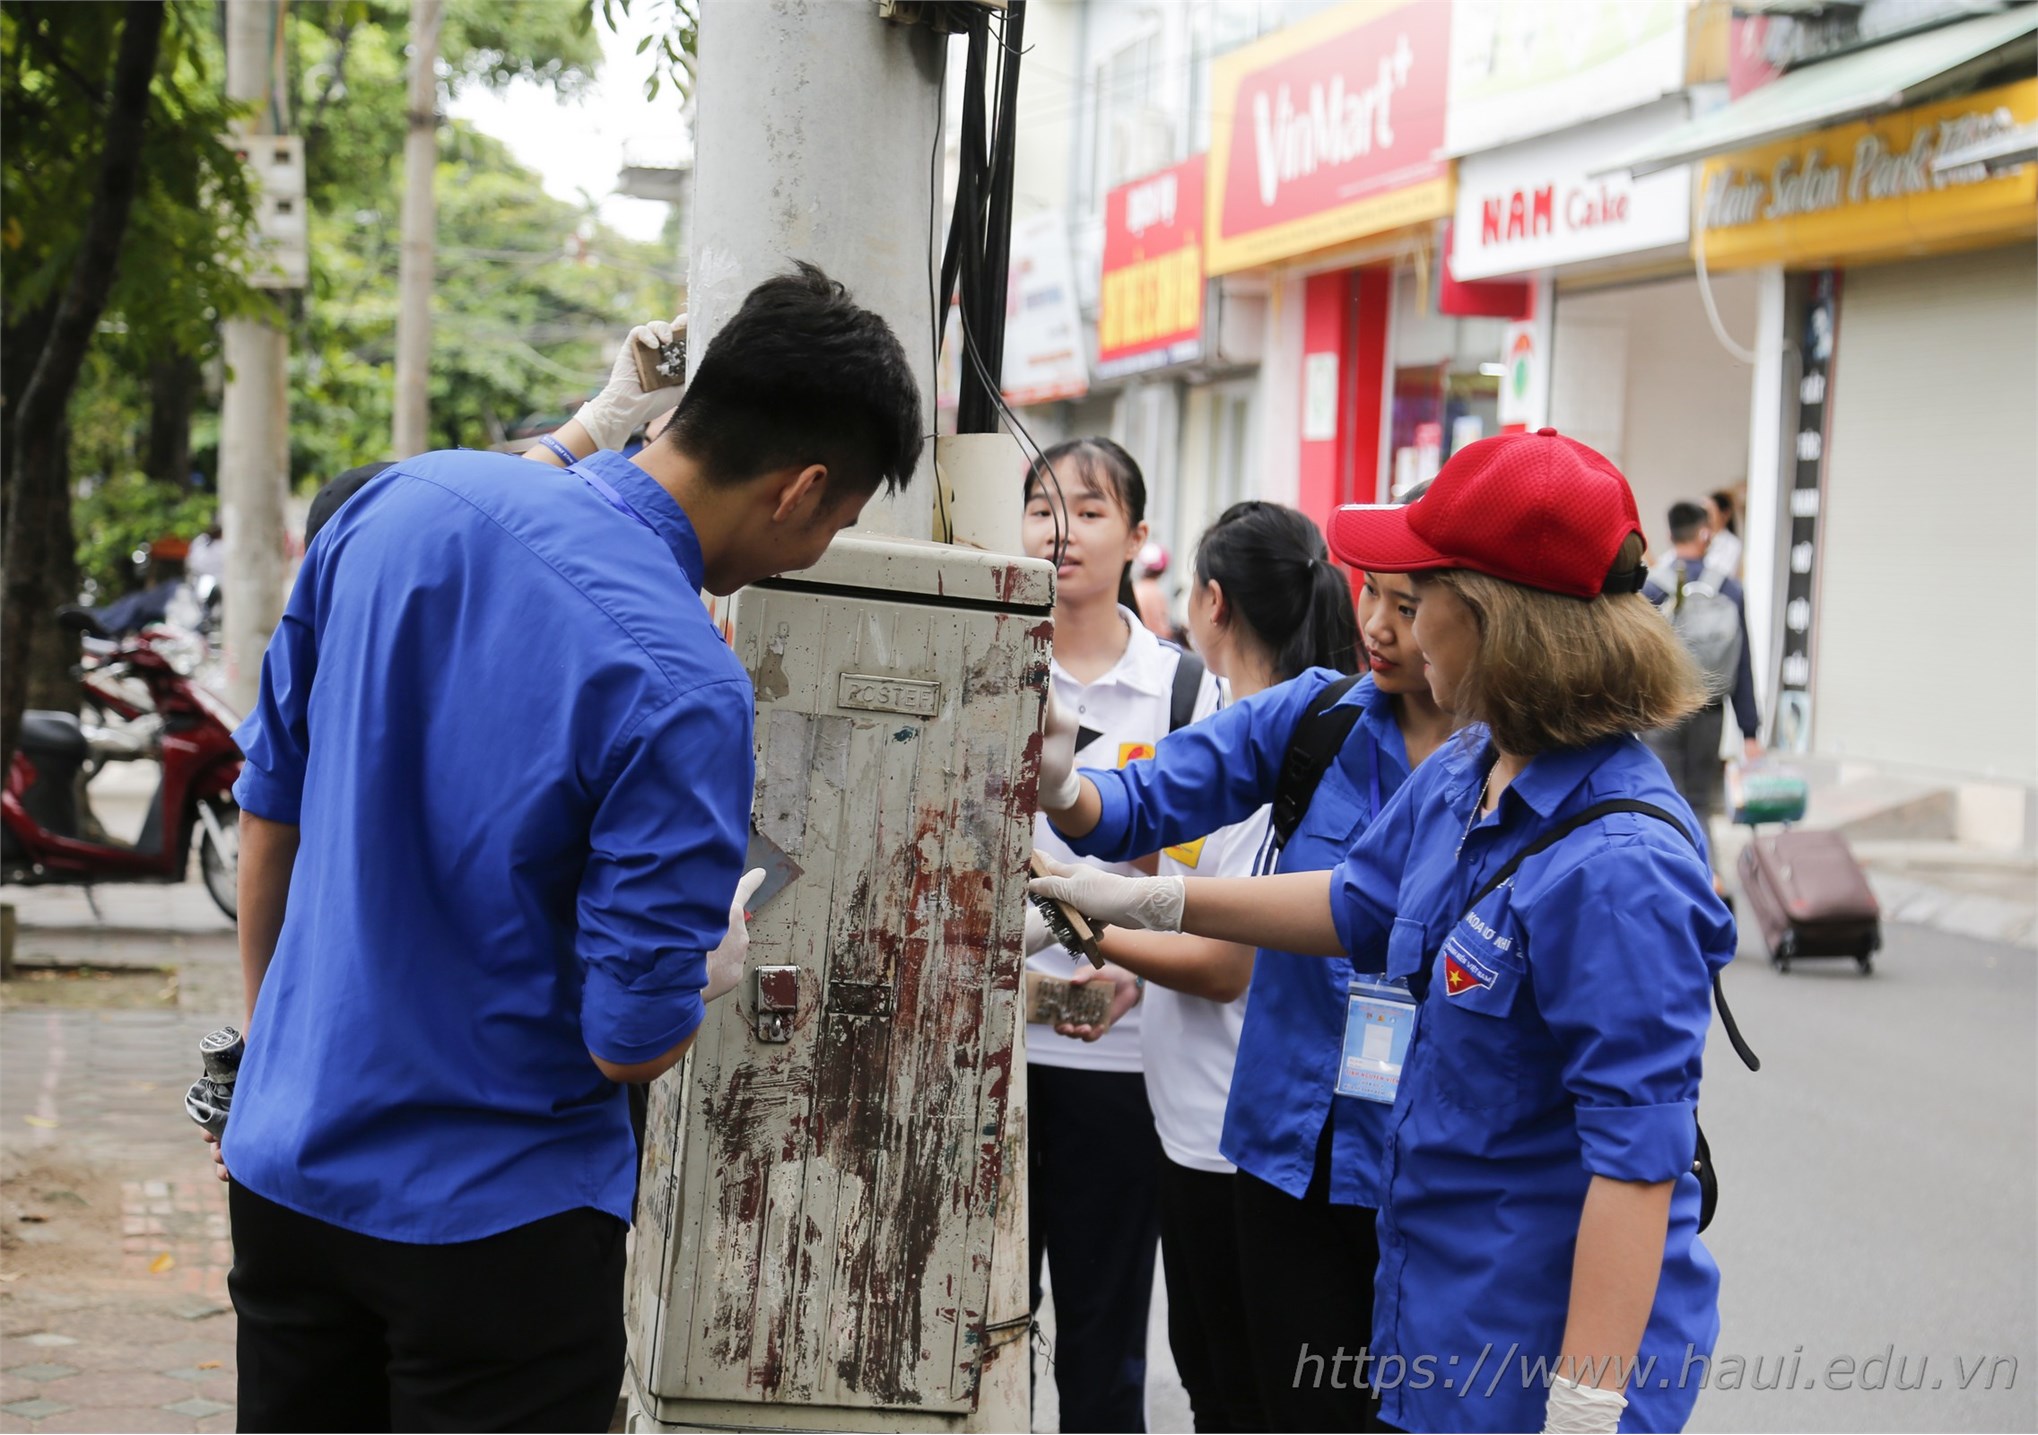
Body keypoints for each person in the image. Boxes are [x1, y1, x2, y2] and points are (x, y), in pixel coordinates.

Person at [216, 263, 921, 1431]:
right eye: (838, 522)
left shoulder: (396, 506)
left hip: (287, 1170)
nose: (817, 547)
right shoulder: (686, 684)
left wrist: (271, 1066)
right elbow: (628, 1042)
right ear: (800, 490)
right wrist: (711, 953)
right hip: (497, 1230)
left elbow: (268, 811)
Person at [1032, 428, 1734, 1435]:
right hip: (1437, 1323)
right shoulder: (1478, 764)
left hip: (1530, 1363)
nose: (1388, 619)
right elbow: (1354, 902)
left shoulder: (1618, 866)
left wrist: (1585, 1412)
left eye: (1416, 594)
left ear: (1485, 617)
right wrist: (1133, 899)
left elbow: (1636, 1165)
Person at [1036, 496, 1452, 1431]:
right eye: (1369, 594)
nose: (1377, 626)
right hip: (1284, 1155)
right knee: (1260, 1403)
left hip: (1421, 1168)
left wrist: (1131, 906)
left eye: (1409, 604)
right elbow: (1146, 797)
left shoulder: (1504, 768)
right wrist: (1068, 789)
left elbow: (1356, 912)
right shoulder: (1321, 717)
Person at [1022, 437, 1222, 1433]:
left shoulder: (1185, 694)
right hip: (994, 1055)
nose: (1060, 531)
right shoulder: (991, 665)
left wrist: (1129, 973)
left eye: (1090, 511)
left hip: (1122, 1068)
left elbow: (1196, 884)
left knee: (1102, 1348)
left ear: (1139, 538)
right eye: (1040, 507)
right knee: (970, 1334)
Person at [1644, 500, 1762, 863]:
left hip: (1661, 711)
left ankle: (1667, 878)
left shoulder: (1651, 591)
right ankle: (1708, 876)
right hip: (1710, 712)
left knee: (1661, 797)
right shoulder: (1730, 591)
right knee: (1698, 801)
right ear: (1705, 535)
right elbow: (1742, 665)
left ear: (1669, 535)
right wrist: (1750, 731)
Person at [1703, 488, 1742, 576]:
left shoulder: (1732, 545)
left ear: (1725, 514)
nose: (1705, 518)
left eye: (1709, 512)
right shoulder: (1698, 539)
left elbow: (1721, 576)